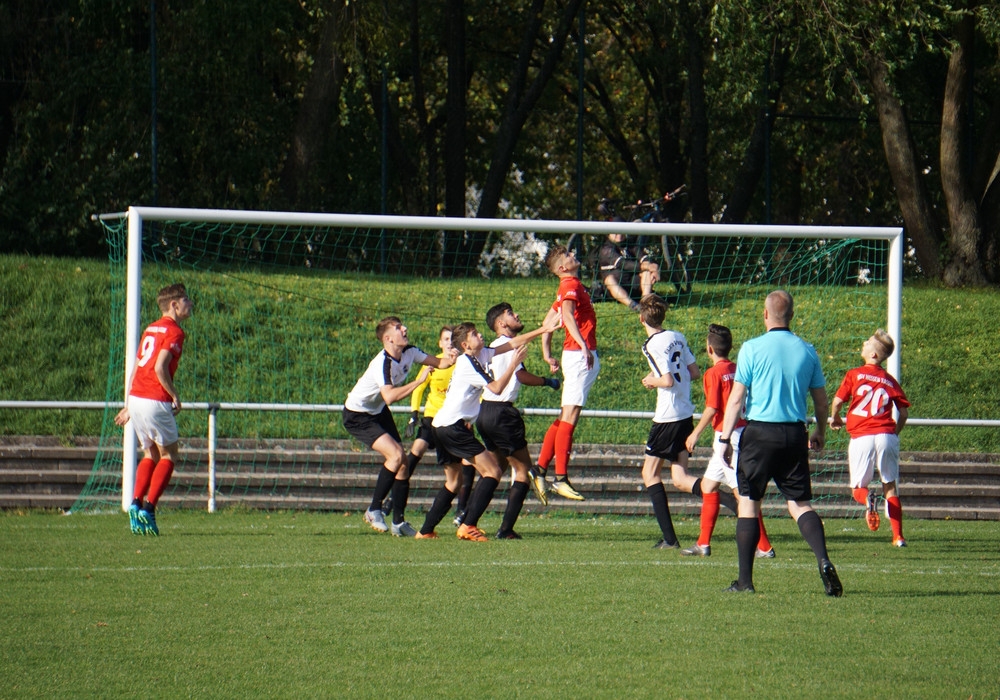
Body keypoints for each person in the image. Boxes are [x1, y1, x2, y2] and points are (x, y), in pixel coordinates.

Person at [719, 290, 843, 596]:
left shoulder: (751, 348)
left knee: (749, 503)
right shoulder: (807, 351)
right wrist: (820, 432)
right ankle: (823, 559)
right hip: (794, 434)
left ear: (765, 314)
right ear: (791, 316)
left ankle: (745, 582)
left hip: (759, 434)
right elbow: (821, 401)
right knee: (799, 504)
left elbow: (736, 399)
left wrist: (725, 437)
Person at [431, 316, 559, 542]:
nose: (480, 335)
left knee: (490, 470)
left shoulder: (482, 353)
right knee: (517, 470)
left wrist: (543, 329)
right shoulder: (471, 360)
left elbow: (512, 343)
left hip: (477, 415)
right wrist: (519, 367)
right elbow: (501, 385)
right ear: (465, 345)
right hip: (485, 417)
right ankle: (496, 527)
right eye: (474, 334)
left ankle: (457, 521)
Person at [343, 317, 455, 537]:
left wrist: (451, 358)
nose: (404, 328)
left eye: (402, 325)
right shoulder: (382, 363)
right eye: (398, 328)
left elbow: (439, 363)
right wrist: (418, 382)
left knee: (403, 462)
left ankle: (398, 522)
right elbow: (390, 396)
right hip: (358, 415)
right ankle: (374, 509)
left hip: (377, 411)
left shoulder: (410, 351)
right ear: (388, 339)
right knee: (395, 456)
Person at [683, 324, 774, 558]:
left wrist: (695, 433)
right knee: (708, 486)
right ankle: (703, 544)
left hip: (728, 437)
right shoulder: (738, 368)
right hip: (741, 431)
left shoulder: (713, 373)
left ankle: (764, 547)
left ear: (709, 349)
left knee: (743, 495)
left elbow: (713, 407)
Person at [475, 302, 561, 539]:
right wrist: (547, 381)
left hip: (485, 411)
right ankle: (506, 529)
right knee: (523, 470)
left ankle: (467, 519)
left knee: (495, 469)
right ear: (501, 323)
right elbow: (520, 375)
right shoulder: (505, 346)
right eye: (511, 313)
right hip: (502, 413)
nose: (517, 315)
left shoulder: (493, 347)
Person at [114, 283, 194, 536]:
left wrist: (129, 405)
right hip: (154, 399)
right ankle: (149, 508)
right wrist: (174, 395)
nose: (190, 304)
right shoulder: (175, 331)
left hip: (137, 397)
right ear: (174, 305)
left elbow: (137, 368)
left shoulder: (150, 328)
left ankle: (135, 503)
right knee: (169, 455)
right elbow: (160, 367)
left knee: (150, 453)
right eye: (186, 300)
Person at [830, 329, 910, 547]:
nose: (863, 343)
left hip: (862, 436)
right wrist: (894, 433)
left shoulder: (854, 374)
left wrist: (835, 418)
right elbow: (903, 413)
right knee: (890, 485)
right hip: (886, 435)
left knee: (858, 488)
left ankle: (868, 500)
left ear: (873, 354)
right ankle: (898, 537)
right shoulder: (889, 380)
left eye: (867, 342)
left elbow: (838, 401)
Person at [636, 294, 700, 549]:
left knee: (649, 473)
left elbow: (667, 380)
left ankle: (670, 540)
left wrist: (652, 380)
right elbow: (694, 372)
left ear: (642, 319)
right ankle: (728, 500)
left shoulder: (650, 345)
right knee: (680, 478)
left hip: (667, 418)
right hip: (685, 414)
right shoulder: (677, 336)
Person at [537, 244, 599, 501]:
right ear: (562, 267)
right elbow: (567, 315)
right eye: (568, 255)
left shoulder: (568, 286)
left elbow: (547, 324)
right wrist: (583, 345)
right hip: (578, 354)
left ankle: (540, 468)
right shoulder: (569, 284)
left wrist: (547, 353)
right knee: (570, 415)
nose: (574, 255)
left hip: (576, 354)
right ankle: (560, 478)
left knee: (566, 415)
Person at [379, 326, 456, 517]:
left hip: (453, 419)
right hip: (431, 416)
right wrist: (414, 414)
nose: (450, 343)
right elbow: (419, 389)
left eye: (453, 339)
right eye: (446, 339)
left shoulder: (462, 364)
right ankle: (393, 498)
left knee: (463, 465)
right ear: (440, 343)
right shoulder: (434, 363)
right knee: (416, 450)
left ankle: (462, 509)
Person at [596, 233, 661, 311]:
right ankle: (633, 305)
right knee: (609, 279)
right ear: (608, 234)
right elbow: (623, 264)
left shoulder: (630, 244)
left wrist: (653, 269)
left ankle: (645, 302)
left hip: (634, 285)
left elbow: (644, 257)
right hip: (616, 289)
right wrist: (646, 266)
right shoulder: (606, 248)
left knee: (646, 271)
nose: (619, 234)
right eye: (615, 232)